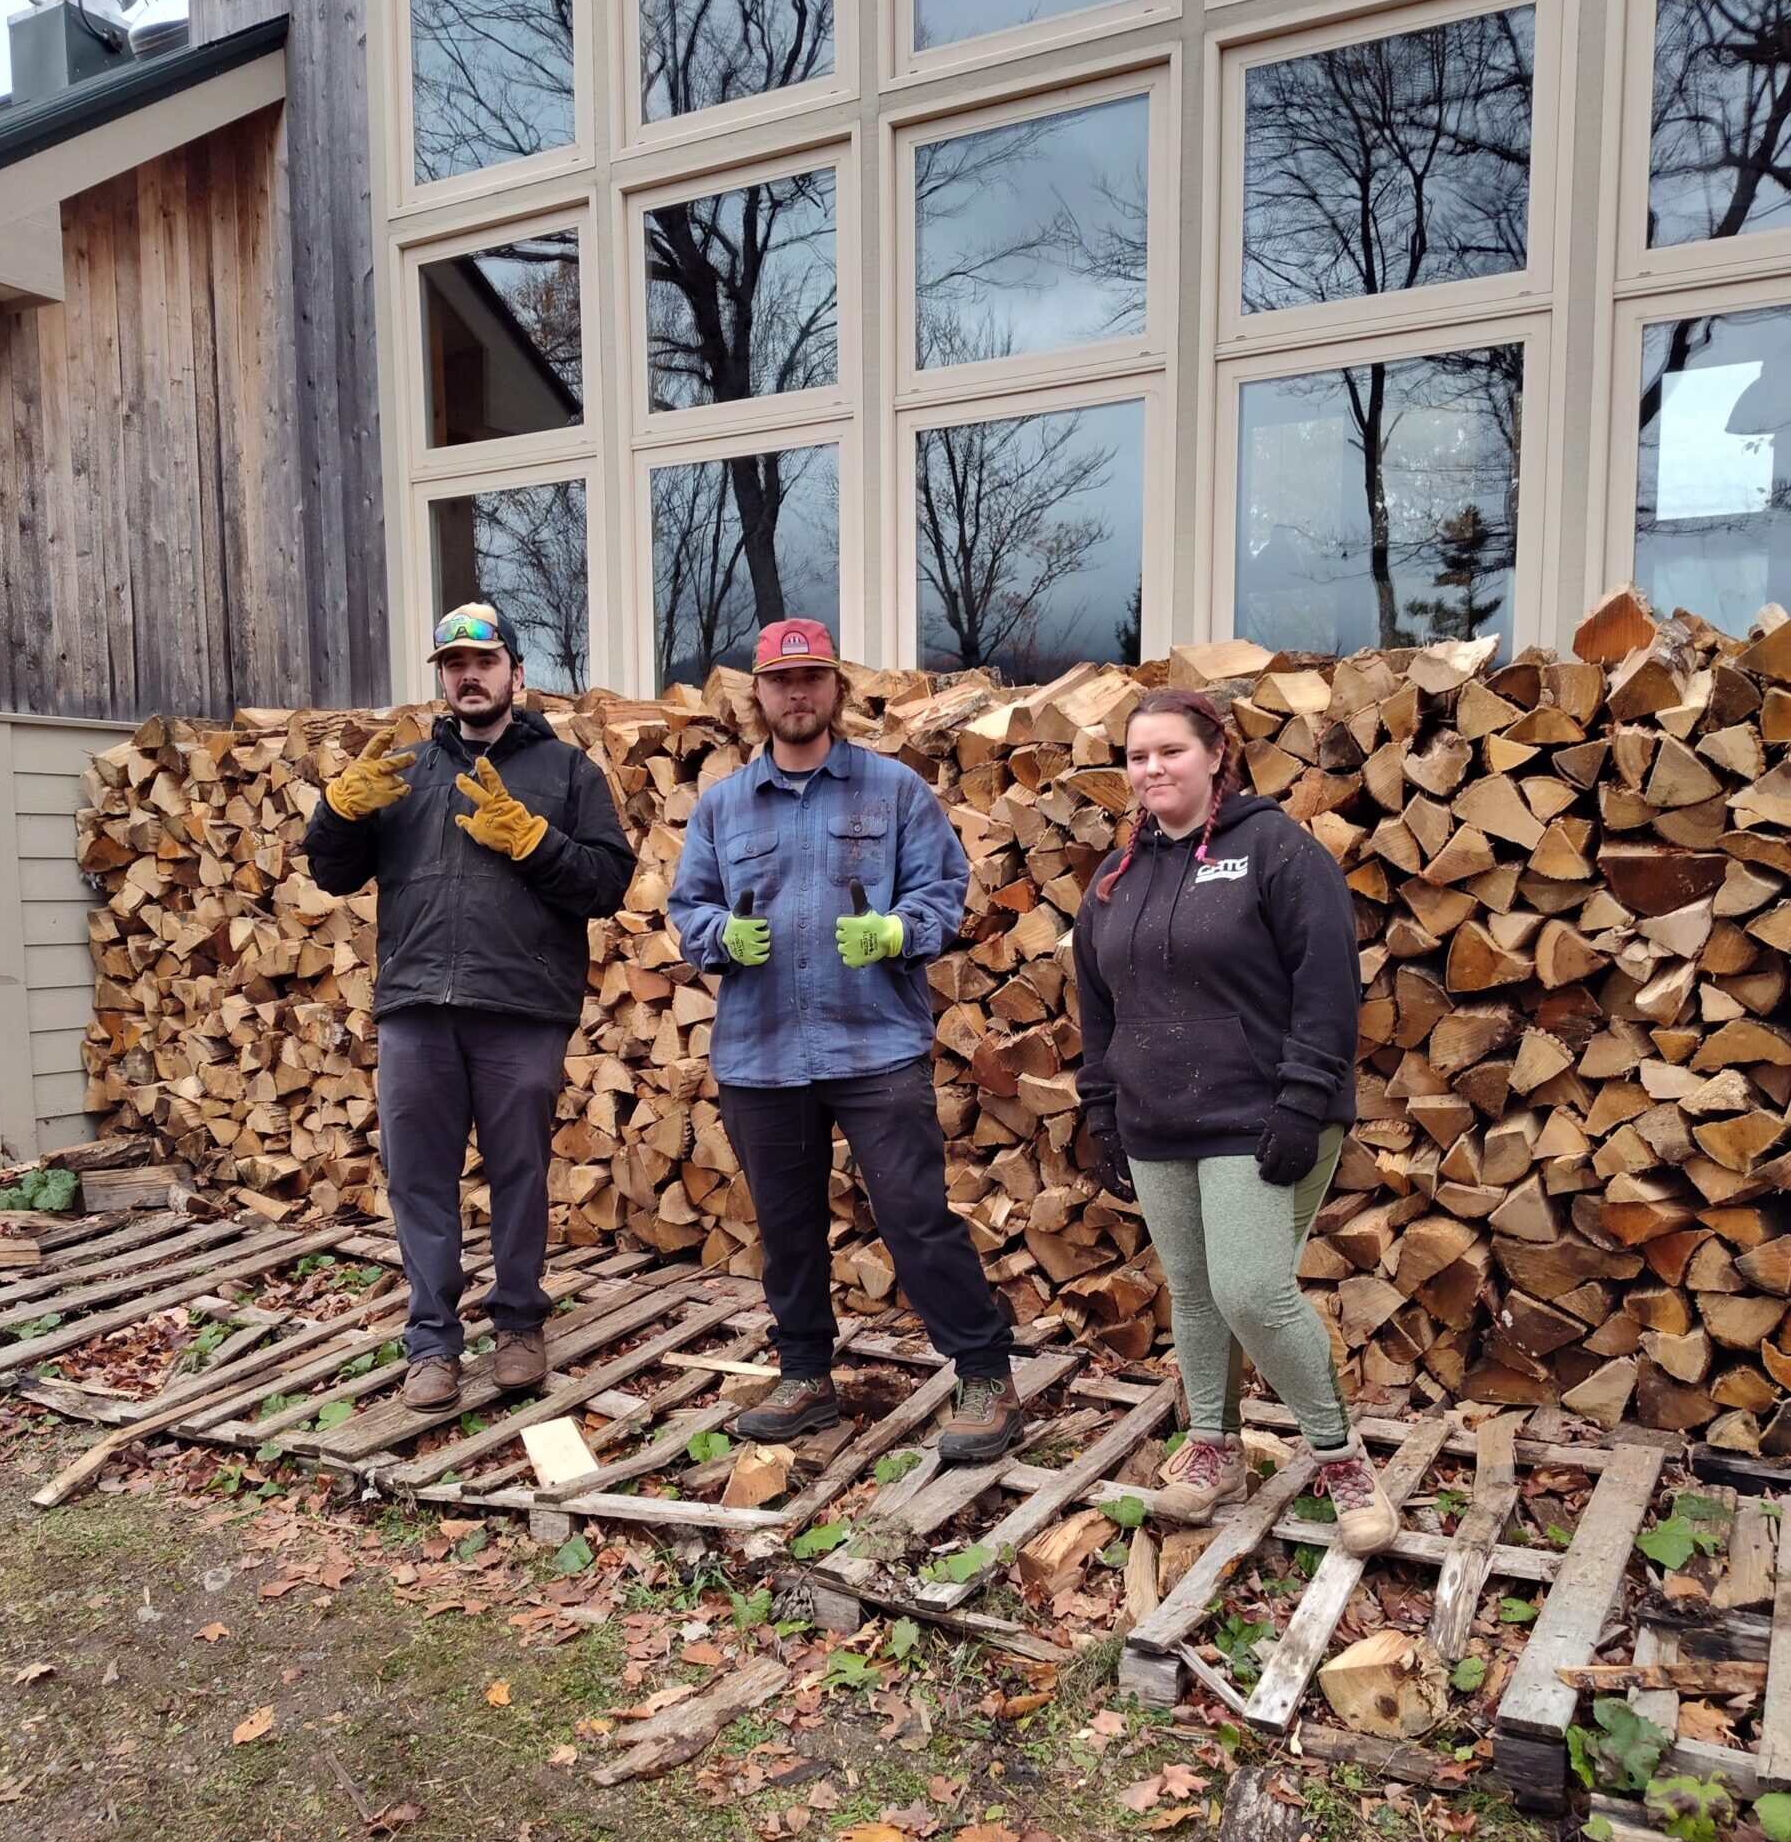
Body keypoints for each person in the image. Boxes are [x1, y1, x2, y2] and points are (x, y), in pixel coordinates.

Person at [667, 618, 1023, 1461]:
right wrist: (721, 936)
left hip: (874, 1047)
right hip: (760, 1051)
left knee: (913, 1216)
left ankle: (983, 1372)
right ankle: (804, 1376)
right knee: (787, 1226)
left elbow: (945, 885)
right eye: (783, 681)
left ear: (836, 689)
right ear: (757, 694)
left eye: (813, 678)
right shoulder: (722, 806)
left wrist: (900, 932)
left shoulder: (893, 791)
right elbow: (688, 909)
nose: (798, 693)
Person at [1072, 688, 1396, 1555]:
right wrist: (1102, 1107)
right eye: (1137, 757)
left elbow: (1328, 988)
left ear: (1218, 754)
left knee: (1251, 1288)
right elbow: (1096, 1007)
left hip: (1263, 1113)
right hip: (1156, 1119)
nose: (1151, 770)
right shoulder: (1116, 878)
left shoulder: (1277, 852)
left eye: (1170, 751)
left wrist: (1303, 1098)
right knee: (1196, 1293)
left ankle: (1341, 1459)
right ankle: (1214, 1450)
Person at [302, 602, 636, 1413]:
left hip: (521, 1004)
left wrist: (535, 841)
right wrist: (339, 810)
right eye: (453, 664)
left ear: (516, 676)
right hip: (417, 1002)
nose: (468, 675)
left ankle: (519, 1323)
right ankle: (432, 1344)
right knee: (418, 1178)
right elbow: (333, 873)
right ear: (444, 679)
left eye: (484, 663)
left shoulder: (566, 774)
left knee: (520, 1172)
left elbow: (606, 883)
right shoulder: (405, 769)